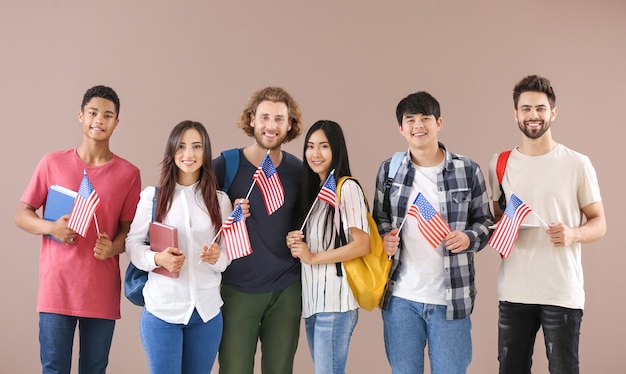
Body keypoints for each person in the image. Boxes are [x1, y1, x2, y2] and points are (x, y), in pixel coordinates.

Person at [15, 85, 141, 374]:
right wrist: (51, 228)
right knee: (54, 369)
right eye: (94, 113)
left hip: (101, 290)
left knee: (94, 370)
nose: (99, 120)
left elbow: (130, 233)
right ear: (81, 116)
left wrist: (113, 247)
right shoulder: (52, 162)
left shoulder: (128, 173)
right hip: (56, 287)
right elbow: (21, 215)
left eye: (108, 115)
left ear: (116, 123)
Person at [489, 75, 606, 374]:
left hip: (561, 290)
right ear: (515, 114)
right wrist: (501, 226)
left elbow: (599, 223)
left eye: (540, 108)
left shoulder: (577, 163)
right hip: (514, 290)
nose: (533, 115)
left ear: (553, 112)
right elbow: (497, 217)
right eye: (526, 108)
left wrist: (572, 234)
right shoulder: (499, 163)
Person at [372, 91, 493, 374]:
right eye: (410, 120)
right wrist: (385, 236)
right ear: (401, 128)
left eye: (425, 118)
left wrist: (468, 238)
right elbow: (379, 218)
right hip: (401, 298)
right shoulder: (389, 170)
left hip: (450, 300)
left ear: (439, 122)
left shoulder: (468, 169)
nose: (418, 125)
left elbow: (486, 222)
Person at [126, 120, 232, 373]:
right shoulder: (153, 197)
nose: (189, 154)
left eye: (197, 146)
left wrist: (216, 257)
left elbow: (227, 255)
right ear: (172, 150)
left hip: (206, 313)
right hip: (163, 310)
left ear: (205, 152)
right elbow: (133, 244)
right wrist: (157, 259)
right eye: (182, 146)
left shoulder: (220, 201)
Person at [212, 86, 304, 374]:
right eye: (265, 117)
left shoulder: (299, 172)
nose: (271, 126)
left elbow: (309, 224)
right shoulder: (225, 165)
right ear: (252, 119)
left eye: (279, 119)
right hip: (236, 289)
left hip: (286, 290)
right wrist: (225, 209)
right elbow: (195, 215)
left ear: (289, 125)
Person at [285, 120, 370, 374]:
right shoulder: (316, 193)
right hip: (313, 304)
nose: (315, 153)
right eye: (310, 146)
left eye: (323, 146)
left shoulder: (347, 187)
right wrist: (296, 242)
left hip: (336, 304)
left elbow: (362, 245)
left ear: (336, 150)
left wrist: (312, 257)